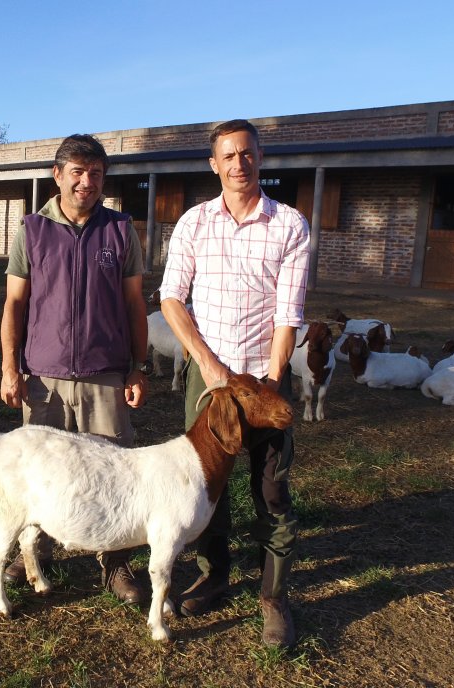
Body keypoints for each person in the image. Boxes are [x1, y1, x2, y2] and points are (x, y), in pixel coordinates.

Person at [157, 119, 310, 648]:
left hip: (264, 376)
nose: (238, 163)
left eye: (247, 153)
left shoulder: (290, 224)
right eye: (228, 155)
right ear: (214, 164)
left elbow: (289, 312)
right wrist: (208, 366)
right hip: (210, 381)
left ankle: (273, 596)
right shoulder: (194, 223)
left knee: (271, 487)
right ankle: (215, 571)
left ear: (260, 157)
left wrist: (268, 381)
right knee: (206, 485)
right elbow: (171, 299)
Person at [0, 133, 150, 604]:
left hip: (106, 372)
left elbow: (133, 304)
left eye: (97, 174)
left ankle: (115, 561)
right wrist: (10, 366)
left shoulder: (120, 230)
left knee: (114, 469)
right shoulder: (31, 230)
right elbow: (15, 303)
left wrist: (137, 368)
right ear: (58, 175)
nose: (88, 182)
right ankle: (32, 556)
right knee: (43, 471)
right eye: (79, 173)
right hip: (44, 376)